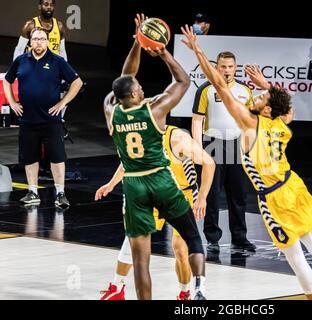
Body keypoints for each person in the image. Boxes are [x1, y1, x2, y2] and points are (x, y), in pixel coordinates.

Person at [181, 25, 312, 300]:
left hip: (274, 198)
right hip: (293, 185)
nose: (257, 95)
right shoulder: (283, 123)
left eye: (262, 96)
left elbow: (218, 84)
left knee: (295, 254)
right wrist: (267, 85)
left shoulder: (250, 123)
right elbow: (286, 106)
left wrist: (197, 50)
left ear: (265, 108)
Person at [100, 14, 206, 300]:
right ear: (135, 94)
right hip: (160, 179)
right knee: (193, 238)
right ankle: (198, 290)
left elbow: (125, 78)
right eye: (138, 88)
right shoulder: (154, 110)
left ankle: (132, 292)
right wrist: (163, 52)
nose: (141, 87)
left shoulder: (111, 109)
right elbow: (182, 81)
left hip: (133, 185)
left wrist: (137, 41)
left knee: (142, 260)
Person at [96, 124, 215, 300]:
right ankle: (117, 287)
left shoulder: (178, 138)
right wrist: (111, 183)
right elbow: (128, 162)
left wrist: (202, 197)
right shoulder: (140, 134)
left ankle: (185, 293)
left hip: (181, 193)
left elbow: (209, 163)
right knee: (134, 240)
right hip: (152, 190)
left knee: (180, 248)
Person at [3, 27, 83, 208]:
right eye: (35, 39)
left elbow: (77, 82)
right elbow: (7, 80)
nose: (38, 42)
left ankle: (60, 193)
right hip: (28, 120)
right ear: (30, 41)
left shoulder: (57, 61)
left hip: (51, 120)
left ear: (47, 42)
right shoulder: (21, 60)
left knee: (57, 157)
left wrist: (62, 103)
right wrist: (13, 103)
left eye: (42, 39)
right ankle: (32, 193)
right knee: (29, 157)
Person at [192, 51, 255, 252]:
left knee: (238, 194)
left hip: (237, 144)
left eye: (230, 67)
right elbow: (196, 120)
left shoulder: (245, 91)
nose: (226, 70)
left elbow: (250, 121)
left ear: (235, 68)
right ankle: (212, 237)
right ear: (216, 68)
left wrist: (250, 147)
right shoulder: (206, 90)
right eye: (222, 67)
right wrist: (197, 149)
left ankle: (239, 237)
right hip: (213, 143)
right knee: (211, 194)